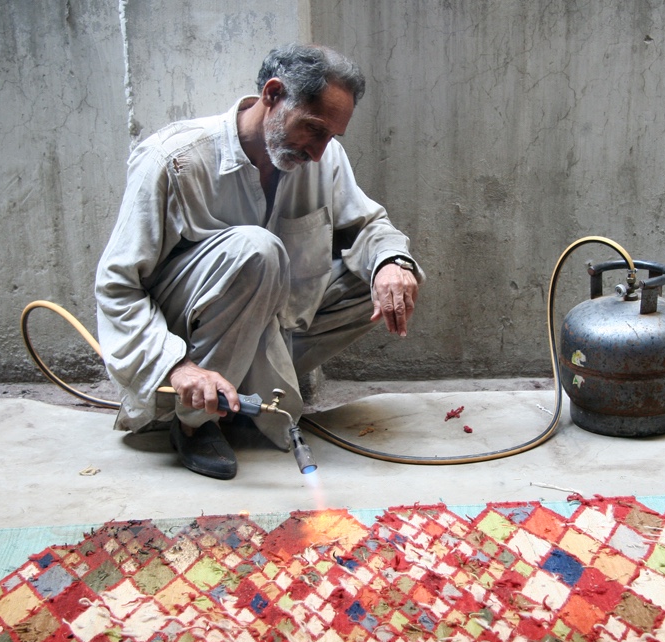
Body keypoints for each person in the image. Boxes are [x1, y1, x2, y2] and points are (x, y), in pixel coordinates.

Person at [95, 44, 423, 480]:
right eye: (313, 129)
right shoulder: (174, 161)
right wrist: (176, 367)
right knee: (258, 250)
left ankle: (254, 389)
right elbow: (118, 286)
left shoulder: (323, 158)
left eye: (331, 138)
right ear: (272, 94)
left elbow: (366, 227)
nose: (320, 152)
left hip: (276, 327)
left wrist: (391, 263)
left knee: (392, 276)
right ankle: (195, 421)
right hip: (187, 340)